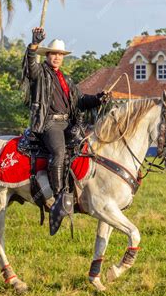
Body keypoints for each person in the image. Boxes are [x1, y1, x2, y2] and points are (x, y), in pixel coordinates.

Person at [22, 27, 109, 235]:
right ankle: (59, 195)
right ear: (48, 55)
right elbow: (29, 68)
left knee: (86, 146)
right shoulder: (40, 73)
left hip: (67, 123)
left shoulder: (66, 79)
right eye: (53, 54)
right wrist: (33, 45)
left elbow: (80, 101)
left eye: (60, 55)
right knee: (59, 152)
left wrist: (97, 98)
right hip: (48, 123)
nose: (57, 58)